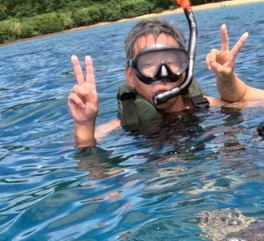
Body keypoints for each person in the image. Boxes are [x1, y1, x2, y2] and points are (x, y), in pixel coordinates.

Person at [68, 17, 235, 149]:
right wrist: (84, 124)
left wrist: (227, 78)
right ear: (131, 76)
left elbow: (251, 103)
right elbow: (79, 152)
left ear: (185, 68)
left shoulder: (206, 105)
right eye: (148, 65)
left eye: (170, 62)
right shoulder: (125, 124)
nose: (162, 74)